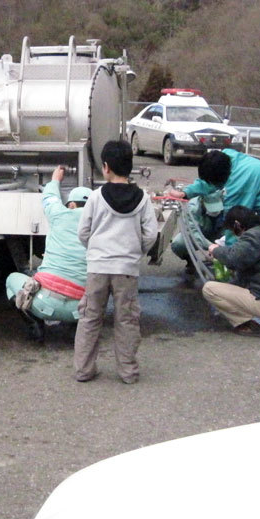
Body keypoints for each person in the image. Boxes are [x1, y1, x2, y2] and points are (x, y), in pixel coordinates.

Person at [74, 140, 159, 384]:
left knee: (90, 317)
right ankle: (128, 372)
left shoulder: (95, 197)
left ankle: (83, 370)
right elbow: (151, 234)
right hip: (126, 269)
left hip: (98, 267)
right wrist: (136, 252)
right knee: (127, 320)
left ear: (106, 167)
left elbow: (83, 232)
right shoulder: (142, 199)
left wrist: (95, 250)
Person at [5, 166, 91, 340]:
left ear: (71, 205)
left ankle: (35, 325)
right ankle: (74, 328)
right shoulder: (101, 225)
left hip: (43, 303)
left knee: (11, 279)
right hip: (82, 310)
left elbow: (49, 198)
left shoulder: (60, 214)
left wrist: (55, 180)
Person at [167, 148, 260, 257]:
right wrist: (186, 193)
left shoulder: (239, 181)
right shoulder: (224, 159)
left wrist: (227, 255)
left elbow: (235, 222)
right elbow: (210, 181)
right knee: (256, 245)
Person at [202, 206, 260, 338]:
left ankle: (256, 324)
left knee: (209, 289)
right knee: (230, 286)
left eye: (232, 230)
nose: (234, 234)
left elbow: (233, 258)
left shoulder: (252, 236)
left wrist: (215, 250)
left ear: (237, 224)